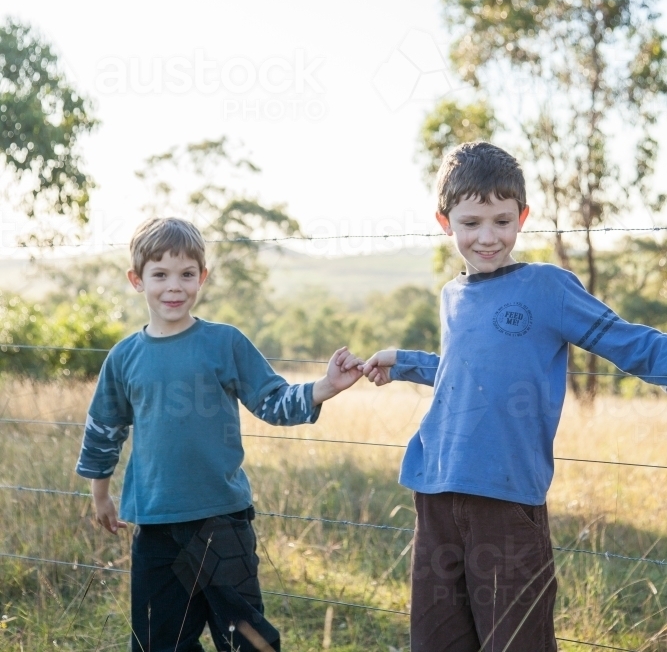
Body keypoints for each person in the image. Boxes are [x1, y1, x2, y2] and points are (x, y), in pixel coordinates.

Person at [354, 141, 667, 652]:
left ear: (522, 217)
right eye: (471, 222)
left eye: (502, 221)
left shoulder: (549, 288)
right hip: (434, 495)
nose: (487, 237)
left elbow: (632, 343)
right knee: (436, 641)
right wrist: (403, 360)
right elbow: (466, 373)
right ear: (444, 221)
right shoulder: (451, 295)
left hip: (506, 503)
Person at [76, 216, 363, 652]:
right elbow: (105, 428)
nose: (174, 286)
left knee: (244, 638)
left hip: (221, 522)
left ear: (202, 278)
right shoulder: (124, 357)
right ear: (137, 280)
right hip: (154, 524)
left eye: (187, 274)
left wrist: (324, 388)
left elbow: (271, 400)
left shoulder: (224, 343)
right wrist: (100, 494)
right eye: (160, 274)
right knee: (158, 642)